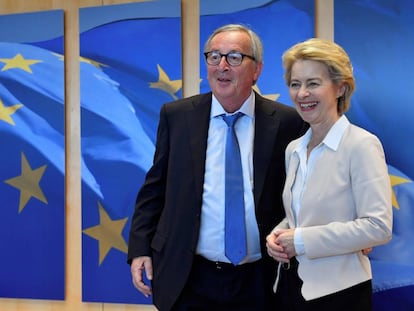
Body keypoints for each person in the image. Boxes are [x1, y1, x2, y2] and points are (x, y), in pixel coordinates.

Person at [127, 24, 306, 311]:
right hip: (189, 276)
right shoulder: (177, 116)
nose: (222, 66)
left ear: (256, 69)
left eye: (234, 57)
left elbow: (304, 193)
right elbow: (155, 187)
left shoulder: (286, 123)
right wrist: (139, 248)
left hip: (261, 279)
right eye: (214, 57)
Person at [266, 37, 393, 311]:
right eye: (295, 84)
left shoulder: (361, 144)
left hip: (340, 296)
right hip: (288, 289)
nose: (302, 94)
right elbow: (300, 215)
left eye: (313, 83)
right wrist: (277, 235)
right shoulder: (293, 149)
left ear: (340, 87)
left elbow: (378, 226)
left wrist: (299, 240)